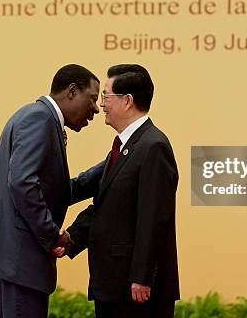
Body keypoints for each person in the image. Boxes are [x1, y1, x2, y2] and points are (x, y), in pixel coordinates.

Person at [0, 64, 105, 318]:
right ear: (72, 91)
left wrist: (110, 167)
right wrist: (52, 236)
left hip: (17, 260)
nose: (96, 108)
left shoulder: (35, 116)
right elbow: (22, 184)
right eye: (93, 99)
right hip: (21, 259)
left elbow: (55, 190)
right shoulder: (40, 119)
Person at [57, 64, 180, 318]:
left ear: (127, 101)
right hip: (114, 286)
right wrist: (71, 239)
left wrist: (142, 277)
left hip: (137, 291)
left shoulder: (153, 146)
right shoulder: (126, 147)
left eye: (105, 96)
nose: (101, 104)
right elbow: (107, 208)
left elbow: (155, 218)